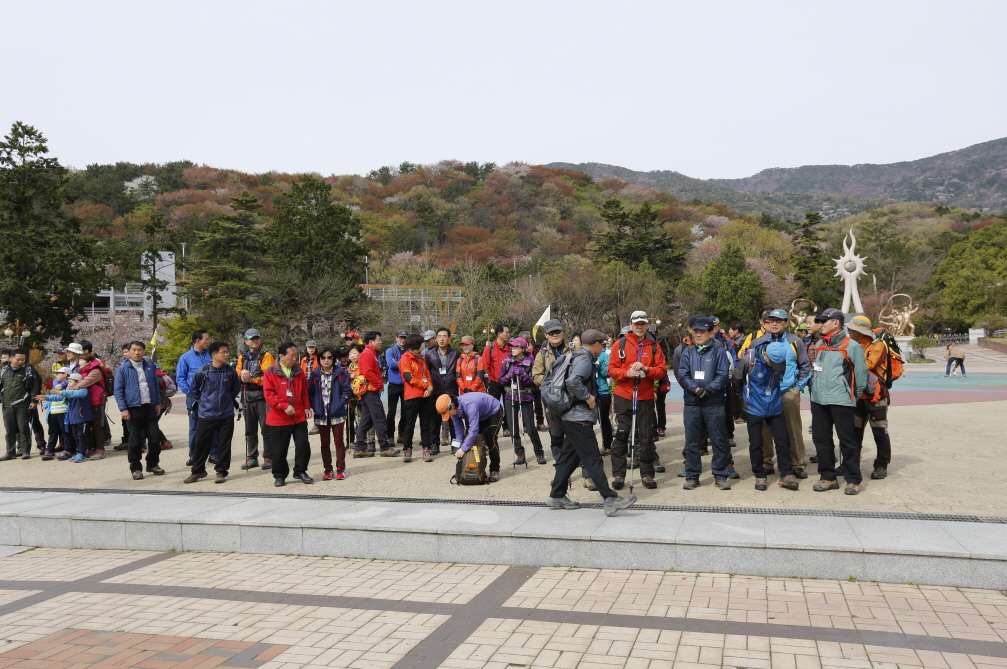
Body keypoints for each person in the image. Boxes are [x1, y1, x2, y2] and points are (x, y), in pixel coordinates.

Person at [547, 329, 638, 516]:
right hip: (578, 417)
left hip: (571, 417)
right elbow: (573, 381)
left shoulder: (579, 356)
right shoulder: (584, 360)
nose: (603, 348)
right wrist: (587, 397)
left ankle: (556, 495)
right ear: (596, 344)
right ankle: (610, 498)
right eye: (602, 345)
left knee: (569, 458)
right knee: (593, 458)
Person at [746, 308, 812, 479]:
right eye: (771, 320)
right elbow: (749, 366)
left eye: (779, 321)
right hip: (764, 393)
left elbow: (805, 365)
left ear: (786, 323)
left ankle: (797, 464)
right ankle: (767, 462)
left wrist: (797, 387)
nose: (774, 324)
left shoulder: (795, 342)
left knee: (792, 429)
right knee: (764, 430)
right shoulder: (757, 342)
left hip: (787, 391)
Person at [808, 308, 868, 495]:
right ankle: (828, 477)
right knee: (821, 440)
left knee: (847, 441)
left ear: (836, 323)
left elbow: (861, 376)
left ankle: (853, 480)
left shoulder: (852, 346)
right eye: (819, 321)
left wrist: (851, 396)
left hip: (842, 401)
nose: (820, 324)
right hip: (818, 400)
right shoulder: (820, 344)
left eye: (824, 321)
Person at [608, 311, 667, 490]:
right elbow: (611, 369)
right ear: (631, 325)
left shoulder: (654, 346)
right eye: (637, 324)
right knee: (622, 434)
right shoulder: (620, 344)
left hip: (645, 396)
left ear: (647, 325)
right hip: (624, 395)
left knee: (646, 437)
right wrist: (626, 373)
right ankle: (619, 474)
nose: (640, 327)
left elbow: (661, 371)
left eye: (643, 323)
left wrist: (646, 369)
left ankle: (647, 474)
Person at [736, 341, 800, 491]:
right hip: (754, 408)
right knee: (756, 443)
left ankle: (786, 474)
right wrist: (743, 401)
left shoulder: (780, 360)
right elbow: (737, 379)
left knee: (783, 441)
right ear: (765, 354)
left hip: (775, 406)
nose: (775, 366)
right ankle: (759, 474)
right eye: (772, 362)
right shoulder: (749, 360)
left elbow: (781, 377)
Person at [678, 317, 732, 490]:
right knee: (692, 441)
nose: (698, 335)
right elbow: (683, 374)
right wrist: (695, 389)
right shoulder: (688, 351)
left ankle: (720, 475)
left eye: (702, 332)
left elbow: (723, 375)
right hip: (692, 403)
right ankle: (692, 476)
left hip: (714, 403)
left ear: (711, 333)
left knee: (718, 440)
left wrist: (708, 390)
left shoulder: (719, 351)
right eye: (696, 332)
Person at [184, 341, 241, 484]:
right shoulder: (202, 372)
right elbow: (194, 389)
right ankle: (198, 470)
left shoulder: (230, 371)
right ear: (214, 355)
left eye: (227, 352)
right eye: (223, 352)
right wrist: (204, 401)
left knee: (224, 444)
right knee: (201, 443)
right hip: (206, 414)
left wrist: (227, 399)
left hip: (226, 414)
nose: (226, 354)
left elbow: (235, 388)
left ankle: (221, 471)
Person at [846, 315, 893, 481]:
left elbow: (869, 365)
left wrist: (848, 361)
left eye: (851, 329)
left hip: (876, 397)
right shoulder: (853, 345)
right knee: (854, 433)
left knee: (879, 432)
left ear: (859, 331)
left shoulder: (877, 345)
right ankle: (850, 464)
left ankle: (881, 465)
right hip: (858, 396)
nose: (848, 331)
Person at [113, 341, 165, 480]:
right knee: (135, 440)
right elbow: (118, 390)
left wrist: (157, 403)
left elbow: (155, 386)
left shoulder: (149, 367)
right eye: (134, 350)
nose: (137, 353)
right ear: (129, 352)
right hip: (133, 408)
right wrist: (123, 409)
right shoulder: (123, 369)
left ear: (143, 351)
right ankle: (135, 468)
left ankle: (152, 464)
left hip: (149, 406)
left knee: (154, 439)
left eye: (140, 350)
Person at [263, 342, 313, 486]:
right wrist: (283, 406)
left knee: (303, 445)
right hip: (278, 418)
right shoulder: (270, 372)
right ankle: (280, 475)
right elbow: (269, 394)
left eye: (296, 355)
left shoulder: (299, 371)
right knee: (279, 449)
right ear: (281, 356)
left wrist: (307, 407)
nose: (295, 358)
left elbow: (304, 391)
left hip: (298, 416)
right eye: (292, 356)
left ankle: (300, 471)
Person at [531, 319, 574, 461]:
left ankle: (580, 465)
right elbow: (536, 376)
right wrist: (553, 382)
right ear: (546, 335)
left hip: (572, 398)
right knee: (556, 435)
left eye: (557, 331)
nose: (555, 335)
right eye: (551, 333)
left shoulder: (574, 349)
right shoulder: (542, 354)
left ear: (562, 332)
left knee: (575, 434)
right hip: (552, 400)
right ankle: (560, 465)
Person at [352, 332, 399, 458]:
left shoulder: (370, 354)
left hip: (369, 391)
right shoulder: (367, 354)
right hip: (370, 391)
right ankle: (384, 447)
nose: (381, 342)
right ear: (371, 342)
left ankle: (359, 448)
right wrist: (379, 384)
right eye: (379, 339)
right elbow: (368, 373)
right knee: (380, 419)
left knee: (366, 421)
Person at [308, 346, 352, 480]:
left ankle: (340, 469)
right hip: (321, 414)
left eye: (329, 357)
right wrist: (315, 407)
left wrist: (339, 404)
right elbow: (310, 393)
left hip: (337, 413)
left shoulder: (341, 373)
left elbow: (347, 391)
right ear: (319, 359)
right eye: (323, 357)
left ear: (333, 359)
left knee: (339, 442)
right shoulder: (314, 374)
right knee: (324, 443)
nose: (326, 360)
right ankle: (328, 469)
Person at [500, 337, 545, 465]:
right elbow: (500, 380)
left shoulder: (531, 362)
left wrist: (524, 376)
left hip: (526, 398)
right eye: (512, 346)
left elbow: (535, 382)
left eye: (516, 346)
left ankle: (539, 453)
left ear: (523, 348)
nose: (512, 349)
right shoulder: (507, 362)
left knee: (531, 429)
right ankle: (520, 454)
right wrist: (508, 376)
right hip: (510, 398)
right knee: (513, 429)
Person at [236, 328, 275, 471]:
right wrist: (242, 373)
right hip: (247, 397)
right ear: (246, 341)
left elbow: (269, 377)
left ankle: (269, 457)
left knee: (266, 429)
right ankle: (252, 457)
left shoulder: (266, 356)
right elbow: (237, 372)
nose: (255, 341)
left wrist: (251, 379)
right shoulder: (242, 357)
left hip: (263, 397)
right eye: (251, 339)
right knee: (250, 430)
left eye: (257, 338)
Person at [442, 392, 501, 482]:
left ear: (452, 405)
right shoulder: (453, 411)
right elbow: (458, 430)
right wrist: (459, 448)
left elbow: (473, 431)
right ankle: (477, 470)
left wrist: (463, 449)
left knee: (491, 439)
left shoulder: (470, 405)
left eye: (447, 413)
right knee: (471, 441)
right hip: (478, 414)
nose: (448, 415)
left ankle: (494, 470)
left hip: (493, 411)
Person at [176, 330, 212, 465]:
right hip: (194, 396)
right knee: (195, 426)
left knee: (213, 424)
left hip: (212, 395)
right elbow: (180, 378)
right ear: (198, 341)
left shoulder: (212, 355)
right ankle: (194, 455)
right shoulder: (185, 357)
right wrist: (190, 392)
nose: (208, 341)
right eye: (206, 339)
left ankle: (214, 453)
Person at [398, 333, 434, 462]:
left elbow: (428, 375)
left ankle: (426, 448)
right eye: (422, 343)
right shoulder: (405, 359)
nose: (423, 345)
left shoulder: (422, 358)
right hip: (412, 396)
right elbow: (409, 378)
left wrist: (429, 387)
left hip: (425, 395)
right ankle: (407, 449)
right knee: (410, 424)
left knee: (425, 424)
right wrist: (426, 386)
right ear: (416, 345)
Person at [0, 349, 42, 460]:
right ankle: (10, 452)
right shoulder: (3, 371)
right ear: (11, 358)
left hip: (23, 405)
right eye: (18, 359)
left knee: (23, 428)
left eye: (23, 360)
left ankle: (25, 451)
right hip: (7, 405)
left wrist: (33, 401)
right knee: (9, 430)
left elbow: (34, 387)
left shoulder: (28, 370)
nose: (20, 362)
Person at [425, 327, 460, 454]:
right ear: (436, 339)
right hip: (436, 390)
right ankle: (434, 444)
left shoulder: (456, 353)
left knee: (453, 419)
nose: (441, 339)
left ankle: (455, 444)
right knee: (435, 419)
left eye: (444, 336)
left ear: (449, 338)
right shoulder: (429, 354)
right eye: (439, 336)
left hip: (451, 390)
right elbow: (427, 372)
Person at [46, 373, 91, 462]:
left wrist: (60, 392)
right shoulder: (70, 392)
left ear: (78, 382)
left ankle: (82, 454)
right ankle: (78, 453)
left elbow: (74, 394)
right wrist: (45, 397)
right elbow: (60, 397)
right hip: (73, 419)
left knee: (82, 436)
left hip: (83, 418)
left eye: (70, 382)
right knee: (76, 436)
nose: (69, 384)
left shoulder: (83, 390)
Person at [75, 340, 108, 458]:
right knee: (87, 426)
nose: (79, 363)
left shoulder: (95, 372)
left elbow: (81, 384)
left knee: (96, 426)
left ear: (89, 361)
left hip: (96, 401)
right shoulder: (84, 371)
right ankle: (89, 447)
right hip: (87, 402)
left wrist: (72, 387)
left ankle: (99, 449)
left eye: (81, 361)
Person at [481, 324, 511, 433]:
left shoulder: (510, 347)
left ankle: (507, 427)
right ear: (499, 334)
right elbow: (486, 364)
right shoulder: (490, 347)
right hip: (494, 382)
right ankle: (494, 428)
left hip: (508, 381)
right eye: (506, 332)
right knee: (494, 406)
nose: (508, 334)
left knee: (509, 405)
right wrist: (491, 378)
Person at [39, 366, 70, 459]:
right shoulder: (55, 385)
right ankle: (49, 450)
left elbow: (64, 397)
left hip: (64, 412)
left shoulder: (69, 385)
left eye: (58, 374)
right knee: (53, 433)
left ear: (65, 374)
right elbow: (53, 398)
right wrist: (48, 404)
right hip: (53, 412)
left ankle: (67, 450)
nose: (56, 376)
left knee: (65, 433)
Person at [384, 330, 408, 444]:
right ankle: (390, 435)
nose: (402, 339)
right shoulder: (390, 350)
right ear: (396, 338)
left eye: (404, 337)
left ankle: (401, 433)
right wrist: (404, 363)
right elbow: (390, 364)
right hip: (393, 384)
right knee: (391, 412)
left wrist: (397, 362)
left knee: (405, 412)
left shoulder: (408, 351)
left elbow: (409, 365)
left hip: (405, 384)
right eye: (400, 337)